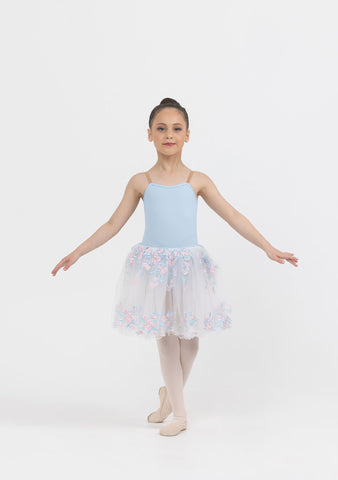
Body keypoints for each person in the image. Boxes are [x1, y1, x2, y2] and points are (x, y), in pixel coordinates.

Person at [51, 97, 298, 437]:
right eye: (161, 128)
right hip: (153, 269)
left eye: (176, 128)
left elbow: (233, 216)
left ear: (187, 135)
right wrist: (78, 251)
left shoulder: (197, 180)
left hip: (188, 268)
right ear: (149, 134)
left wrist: (268, 247)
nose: (169, 134)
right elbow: (113, 224)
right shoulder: (141, 181)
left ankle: (169, 396)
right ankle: (180, 415)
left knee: (191, 342)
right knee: (167, 338)